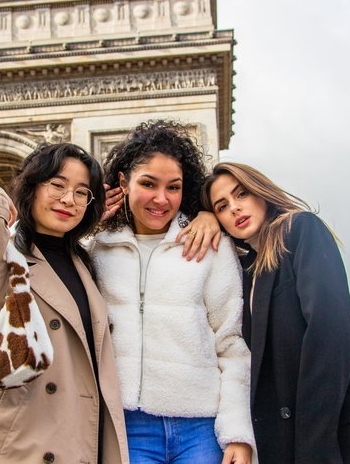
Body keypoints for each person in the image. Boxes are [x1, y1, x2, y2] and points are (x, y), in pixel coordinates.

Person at [91, 120, 255, 464]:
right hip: (127, 426)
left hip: (202, 427)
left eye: (174, 187)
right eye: (148, 184)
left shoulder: (212, 244)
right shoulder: (94, 248)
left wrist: (238, 433)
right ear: (122, 182)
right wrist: (85, 223)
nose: (161, 199)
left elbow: (231, 345)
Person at [200, 162, 350, 463]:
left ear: (261, 191)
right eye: (222, 206)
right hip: (282, 440)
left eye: (241, 194)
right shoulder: (246, 271)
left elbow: (329, 337)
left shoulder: (302, 229)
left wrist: (314, 437)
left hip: (328, 431)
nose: (235, 208)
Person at [0, 142, 128, 463]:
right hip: (24, 443)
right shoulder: (8, 253)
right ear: (31, 188)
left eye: (82, 193)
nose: (69, 200)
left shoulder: (86, 262)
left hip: (83, 434)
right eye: (57, 185)